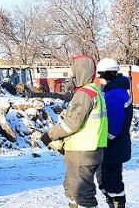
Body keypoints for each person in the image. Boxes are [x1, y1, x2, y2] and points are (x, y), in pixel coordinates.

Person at [42, 55, 108, 208]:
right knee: (72, 188)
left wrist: (49, 135)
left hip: (83, 153)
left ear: (81, 72)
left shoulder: (85, 94)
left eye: (74, 71)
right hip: (87, 151)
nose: (72, 75)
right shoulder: (94, 92)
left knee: (81, 194)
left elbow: (72, 124)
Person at [96, 58, 133, 208]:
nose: (100, 79)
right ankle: (114, 203)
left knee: (112, 182)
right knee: (108, 180)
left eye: (101, 75)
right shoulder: (116, 90)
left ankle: (117, 204)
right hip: (117, 145)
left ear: (107, 74)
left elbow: (114, 124)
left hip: (113, 146)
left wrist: (105, 140)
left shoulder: (115, 94)